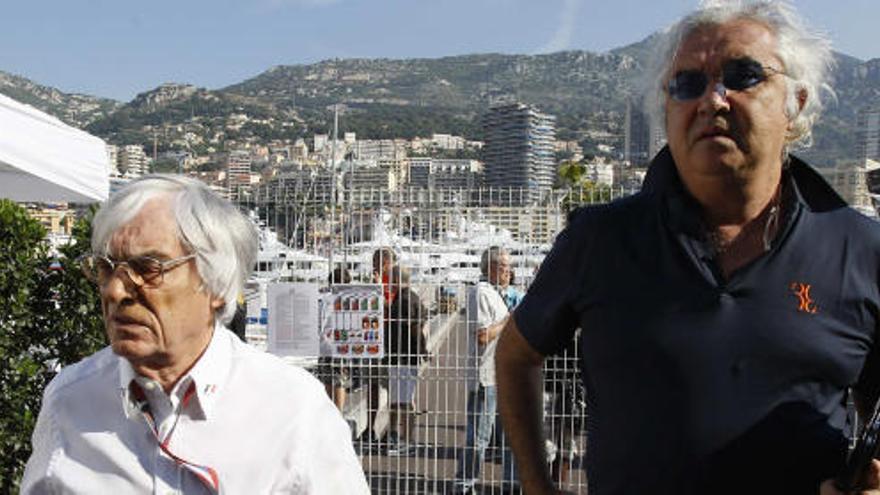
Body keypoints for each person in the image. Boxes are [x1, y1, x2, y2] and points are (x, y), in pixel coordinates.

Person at [496, 2, 880, 494]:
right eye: (687, 83)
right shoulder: (600, 239)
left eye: (742, 75)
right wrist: (536, 484)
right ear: (668, 108)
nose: (712, 100)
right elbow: (515, 355)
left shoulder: (860, 251)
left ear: (796, 104)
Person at [21, 175, 369, 494]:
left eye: (147, 269)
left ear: (215, 283)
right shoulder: (69, 401)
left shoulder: (294, 410)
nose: (115, 291)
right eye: (105, 268)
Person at [455, 246, 516, 493]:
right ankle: (464, 484)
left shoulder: (494, 292)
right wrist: (508, 320)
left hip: (500, 376)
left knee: (509, 436)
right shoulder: (481, 293)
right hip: (486, 378)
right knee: (479, 437)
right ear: (491, 267)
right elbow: (482, 335)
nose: (509, 272)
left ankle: (511, 485)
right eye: (504, 267)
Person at [383, 265, 429, 456]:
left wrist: (421, 349)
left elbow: (413, 328)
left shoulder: (403, 301)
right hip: (404, 356)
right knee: (399, 399)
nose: (388, 282)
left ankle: (407, 441)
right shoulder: (410, 298)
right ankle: (401, 438)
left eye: (390, 278)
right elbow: (421, 321)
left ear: (397, 279)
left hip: (403, 356)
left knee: (405, 401)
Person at [319, 266, 353, 412]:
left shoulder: (324, 300)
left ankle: (330, 416)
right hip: (341, 346)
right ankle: (338, 415)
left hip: (324, 347)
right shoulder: (349, 301)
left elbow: (320, 323)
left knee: (327, 381)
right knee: (340, 382)